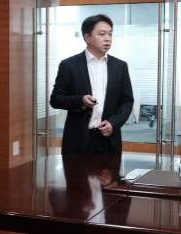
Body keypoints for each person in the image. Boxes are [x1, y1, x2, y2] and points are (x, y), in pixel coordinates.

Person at [50, 14, 133, 154]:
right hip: (78, 140)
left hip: (109, 140)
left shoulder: (120, 66)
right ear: (87, 37)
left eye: (110, 34)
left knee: (111, 170)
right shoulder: (69, 65)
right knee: (74, 170)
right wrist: (80, 100)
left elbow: (127, 101)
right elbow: (56, 100)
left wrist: (114, 123)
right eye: (102, 34)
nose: (108, 38)